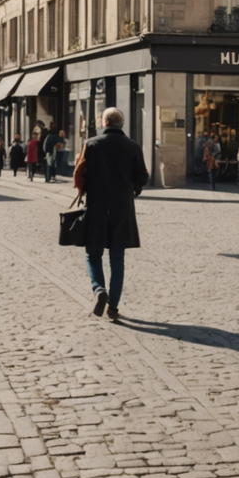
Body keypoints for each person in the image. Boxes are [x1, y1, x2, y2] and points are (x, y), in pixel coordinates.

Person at [73, 107, 149, 322]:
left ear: (104, 122)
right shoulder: (133, 146)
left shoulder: (92, 144)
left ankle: (99, 290)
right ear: (121, 124)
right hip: (122, 208)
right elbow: (142, 176)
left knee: (93, 254)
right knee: (117, 259)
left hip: (97, 206)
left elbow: (80, 174)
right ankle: (113, 307)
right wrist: (133, 189)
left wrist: (84, 190)